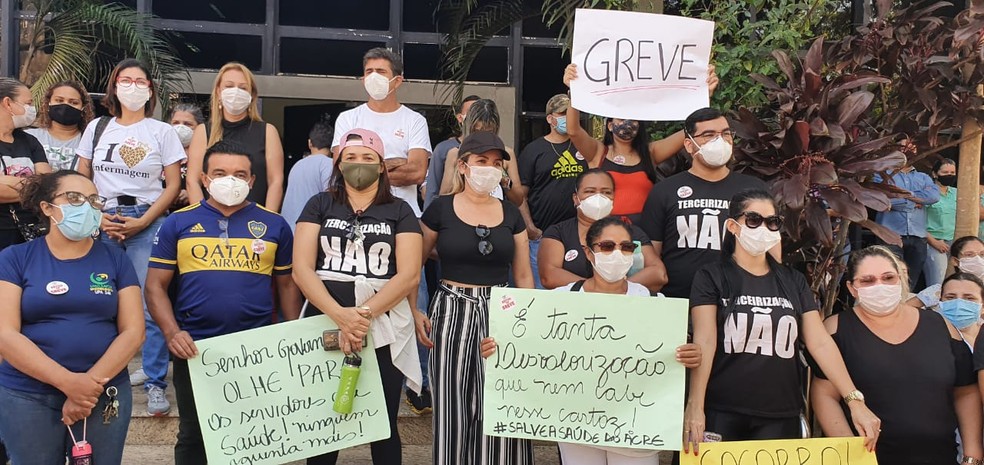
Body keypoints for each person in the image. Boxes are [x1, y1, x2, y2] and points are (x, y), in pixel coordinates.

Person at [481, 216, 701, 465]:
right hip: (577, 429)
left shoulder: (655, 305)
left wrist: (690, 355)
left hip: (636, 429)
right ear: (588, 252)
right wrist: (497, 351)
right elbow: (526, 350)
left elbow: (675, 358)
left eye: (626, 247)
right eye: (607, 246)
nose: (617, 254)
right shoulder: (558, 301)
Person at [686, 189, 880, 451]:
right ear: (733, 226)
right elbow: (705, 341)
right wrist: (695, 406)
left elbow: (819, 342)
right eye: (754, 220)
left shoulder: (793, 281)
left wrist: (854, 400)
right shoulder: (711, 276)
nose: (763, 228)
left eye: (772, 222)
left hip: (780, 414)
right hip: (721, 410)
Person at [145, 140, 300, 465]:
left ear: (252, 180)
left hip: (256, 350)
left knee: (255, 433)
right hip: (195, 347)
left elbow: (286, 286)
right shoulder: (177, 223)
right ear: (204, 178)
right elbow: (155, 287)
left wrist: (293, 339)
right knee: (193, 434)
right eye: (220, 173)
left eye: (240, 174)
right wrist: (173, 333)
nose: (231, 180)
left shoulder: (275, 225)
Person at [293, 128, 423, 465]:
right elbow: (302, 268)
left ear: (381, 166)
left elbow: (408, 273)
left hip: (383, 325)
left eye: (368, 157)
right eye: (350, 157)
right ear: (338, 164)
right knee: (323, 418)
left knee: (383, 420)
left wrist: (360, 315)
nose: (358, 164)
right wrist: (341, 315)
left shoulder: (400, 211)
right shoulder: (319, 204)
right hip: (324, 319)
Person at [0, 170, 144, 465]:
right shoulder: (15, 258)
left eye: (93, 200)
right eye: (74, 197)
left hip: (102, 392)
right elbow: (5, 333)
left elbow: (133, 331)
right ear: (47, 207)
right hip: (27, 394)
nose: (87, 206)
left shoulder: (115, 259)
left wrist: (87, 388)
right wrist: (69, 383)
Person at [75, 58, 185, 416]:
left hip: (147, 220)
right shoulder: (97, 127)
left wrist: (145, 222)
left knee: (152, 305)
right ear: (115, 86)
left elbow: (173, 186)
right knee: (101, 303)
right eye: (126, 79)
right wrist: (96, 215)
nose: (134, 86)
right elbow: (82, 177)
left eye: (141, 81)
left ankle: (155, 382)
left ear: (150, 89)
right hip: (103, 219)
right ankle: (102, 378)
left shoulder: (162, 131)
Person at [420, 131, 534, 465]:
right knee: (450, 402)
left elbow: (524, 274)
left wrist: (527, 321)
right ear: (464, 166)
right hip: (450, 308)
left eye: (496, 163)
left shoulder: (511, 214)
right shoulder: (440, 209)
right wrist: (416, 310)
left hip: (500, 310)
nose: (489, 169)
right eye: (482, 161)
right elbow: (415, 267)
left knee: (499, 399)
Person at [813, 246, 982, 465]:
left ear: (901, 279)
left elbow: (966, 391)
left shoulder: (940, 325)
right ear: (852, 288)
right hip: (869, 459)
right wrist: (849, 453)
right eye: (867, 280)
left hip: (940, 456)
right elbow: (824, 395)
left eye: (888, 277)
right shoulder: (836, 329)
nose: (879, 286)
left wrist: (972, 454)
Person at [639, 107, 770, 299]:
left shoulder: (755, 189)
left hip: (740, 301)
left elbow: (771, 250)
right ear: (689, 145)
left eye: (725, 133)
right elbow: (651, 255)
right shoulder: (664, 191)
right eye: (708, 135)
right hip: (679, 303)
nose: (720, 140)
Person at [562, 64, 718, 222]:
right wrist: (574, 91)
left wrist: (704, 97)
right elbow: (573, 130)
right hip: (605, 232)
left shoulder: (651, 153)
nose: (627, 123)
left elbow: (688, 132)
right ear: (609, 125)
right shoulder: (597, 152)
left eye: (632, 118)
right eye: (621, 119)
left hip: (643, 235)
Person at [332, 47, 432, 217]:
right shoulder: (347, 119)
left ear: (397, 80)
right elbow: (342, 170)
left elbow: (417, 172)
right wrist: (397, 163)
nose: (374, 77)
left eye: (380, 72)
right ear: (363, 79)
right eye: (369, 71)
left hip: (403, 215)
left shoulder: (414, 120)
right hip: (356, 213)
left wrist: (364, 171)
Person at [539, 169, 667, 292]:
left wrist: (618, 290)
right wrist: (594, 289)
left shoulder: (632, 232)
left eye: (606, 192)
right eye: (590, 191)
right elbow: (549, 276)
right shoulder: (558, 233)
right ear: (575, 198)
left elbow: (658, 273)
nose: (598, 197)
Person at [185, 62, 285, 211]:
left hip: (254, 223)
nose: (236, 92)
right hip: (211, 221)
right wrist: (202, 216)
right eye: (229, 86)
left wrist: (269, 219)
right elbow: (193, 181)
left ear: (251, 95)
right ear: (218, 91)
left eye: (243, 88)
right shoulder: (203, 131)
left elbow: (276, 181)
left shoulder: (268, 132)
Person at [517, 93, 586, 289]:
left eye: (571, 112)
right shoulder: (534, 150)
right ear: (550, 118)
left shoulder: (584, 146)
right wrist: (530, 228)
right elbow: (521, 195)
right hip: (542, 238)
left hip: (578, 238)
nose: (568, 117)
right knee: (543, 295)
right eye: (563, 113)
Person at [439, 99, 523, 206]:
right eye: (477, 132)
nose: (482, 137)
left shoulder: (506, 153)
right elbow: (444, 196)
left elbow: (518, 200)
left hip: (494, 213)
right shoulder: (455, 153)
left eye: (488, 132)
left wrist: (502, 175)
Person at [0, 77, 50, 251]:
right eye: (28, 103)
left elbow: (45, 185)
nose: (32, 109)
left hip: (29, 232)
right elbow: (37, 184)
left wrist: (5, 180)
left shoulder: (30, 141)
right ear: (8, 103)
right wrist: (31, 186)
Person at [874, 162, 940, 290]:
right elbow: (881, 200)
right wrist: (913, 202)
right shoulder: (882, 176)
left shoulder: (924, 177)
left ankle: (905, 306)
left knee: (911, 281)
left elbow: (933, 196)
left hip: (918, 235)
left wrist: (904, 195)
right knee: (889, 276)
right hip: (890, 234)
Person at [424, 95, 479, 210]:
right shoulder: (444, 149)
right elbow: (433, 190)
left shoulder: (495, 150)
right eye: (470, 112)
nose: (475, 117)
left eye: (478, 112)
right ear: (460, 118)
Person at [25, 80, 94, 171]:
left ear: (83, 108)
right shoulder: (28, 137)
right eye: (59, 100)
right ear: (48, 104)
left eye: (74, 102)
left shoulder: (91, 141)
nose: (65, 105)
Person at [282, 116, 334, 230]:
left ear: (310, 143)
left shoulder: (297, 165)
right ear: (333, 145)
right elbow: (331, 202)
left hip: (289, 229)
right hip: (311, 231)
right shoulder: (329, 165)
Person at [913, 236, 984, 308]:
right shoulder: (938, 291)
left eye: (982, 254)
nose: (978, 259)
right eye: (969, 255)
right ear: (955, 261)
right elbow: (907, 308)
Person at [926, 158, 958, 288]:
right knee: (937, 283)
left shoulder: (957, 193)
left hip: (955, 242)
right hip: (933, 242)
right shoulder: (927, 193)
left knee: (954, 282)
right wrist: (933, 242)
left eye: (952, 172)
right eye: (945, 172)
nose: (949, 175)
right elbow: (917, 221)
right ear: (935, 174)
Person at [938, 272, 984, 348]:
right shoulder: (928, 337)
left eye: (969, 298)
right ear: (940, 302)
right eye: (950, 297)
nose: (958, 304)